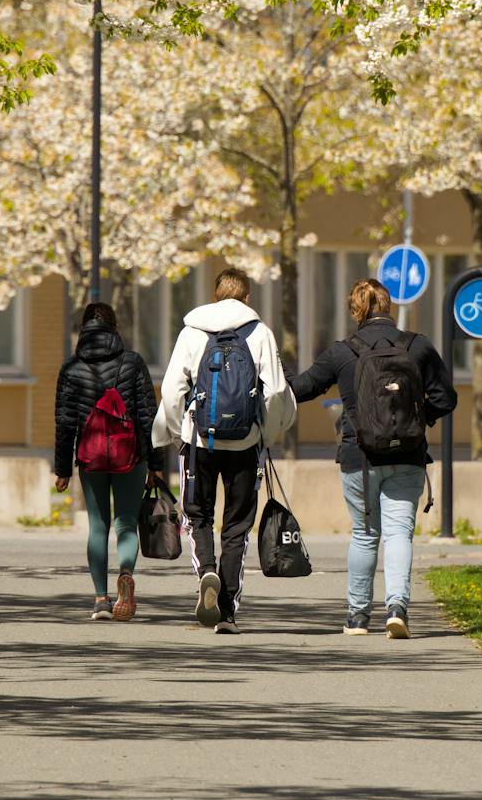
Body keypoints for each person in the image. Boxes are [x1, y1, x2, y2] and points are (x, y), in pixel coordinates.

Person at [292, 278, 455, 638]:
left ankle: (357, 617)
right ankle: (397, 608)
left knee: (365, 534)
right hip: (409, 454)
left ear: (357, 311)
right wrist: (416, 420)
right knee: (399, 534)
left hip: (359, 456)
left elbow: (302, 388)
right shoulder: (418, 346)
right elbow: (447, 398)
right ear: (388, 306)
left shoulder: (342, 352)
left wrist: (272, 375)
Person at [153, 267, 295, 633]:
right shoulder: (259, 332)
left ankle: (207, 572)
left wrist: (175, 433)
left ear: (215, 295)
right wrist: (270, 432)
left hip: (199, 443)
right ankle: (228, 610)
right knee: (237, 525)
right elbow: (277, 391)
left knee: (196, 515)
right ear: (247, 298)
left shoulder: (192, 332)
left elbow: (171, 390)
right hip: (245, 443)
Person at [54, 302, 165, 622]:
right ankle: (126, 574)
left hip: (91, 459)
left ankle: (101, 600)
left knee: (98, 526)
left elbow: (64, 423)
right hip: (130, 456)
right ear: (115, 328)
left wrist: (62, 469)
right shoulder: (133, 363)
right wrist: (157, 462)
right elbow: (148, 415)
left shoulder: (71, 369)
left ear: (83, 330)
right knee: (127, 522)